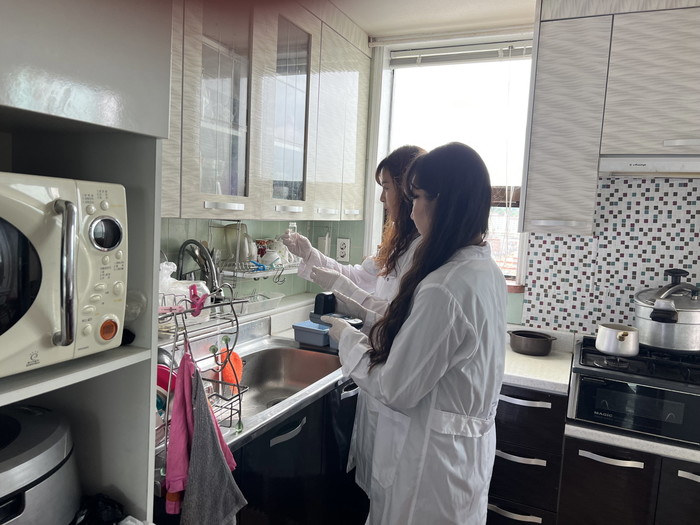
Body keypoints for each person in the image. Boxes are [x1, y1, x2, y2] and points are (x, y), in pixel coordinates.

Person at [322, 142, 507, 525]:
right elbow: (413, 330)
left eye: (418, 196)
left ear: (445, 203)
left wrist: (347, 340)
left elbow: (396, 388)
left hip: (429, 473)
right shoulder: (484, 271)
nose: (411, 208)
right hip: (461, 464)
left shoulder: (444, 287)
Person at [281, 145, 425, 504]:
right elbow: (359, 277)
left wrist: (348, 322)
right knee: (376, 493)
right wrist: (311, 255)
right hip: (379, 371)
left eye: (387, 187)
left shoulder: (423, 251)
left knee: (390, 495)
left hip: (393, 380)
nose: (382, 198)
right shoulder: (399, 243)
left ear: (408, 190)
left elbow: (394, 312)